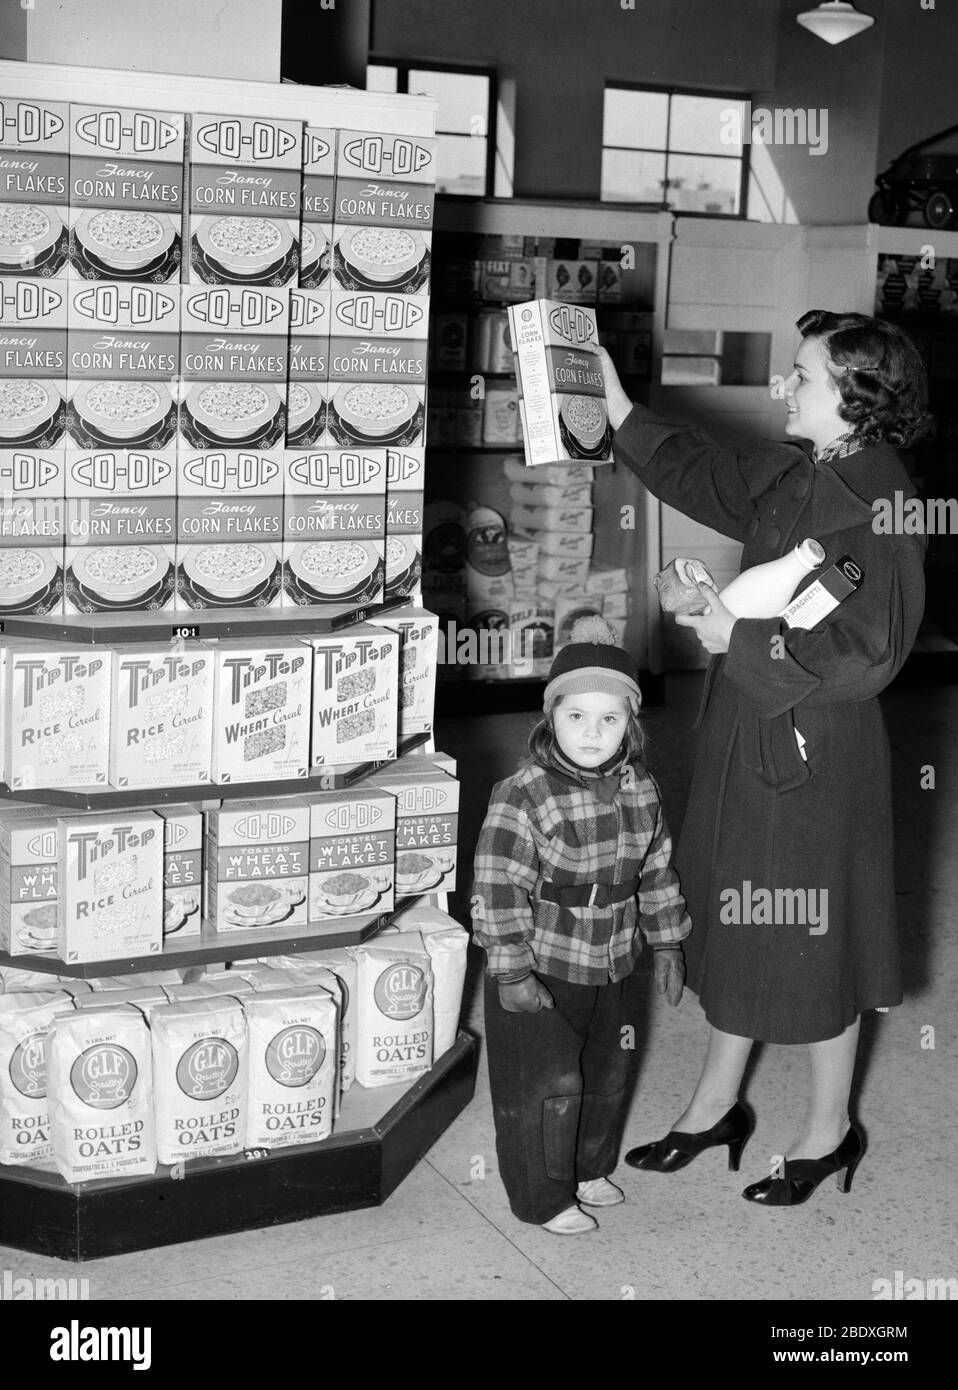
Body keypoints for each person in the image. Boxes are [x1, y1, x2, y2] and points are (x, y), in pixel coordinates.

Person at [597, 309, 931, 1206]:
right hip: (755, 731)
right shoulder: (806, 469)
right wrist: (618, 405)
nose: (784, 385)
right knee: (740, 916)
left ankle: (828, 1131)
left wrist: (726, 632)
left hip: (817, 748)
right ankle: (716, 1106)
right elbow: (707, 472)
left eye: (803, 375)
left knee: (817, 934)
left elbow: (867, 652)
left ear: (857, 401)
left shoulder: (881, 503)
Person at [470, 617, 691, 1234]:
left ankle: (588, 1166)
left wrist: (669, 939)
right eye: (576, 717)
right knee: (547, 1083)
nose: (592, 733)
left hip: (615, 958)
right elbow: (496, 887)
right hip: (542, 964)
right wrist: (510, 970)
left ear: (631, 724)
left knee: (607, 1070)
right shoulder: (523, 794)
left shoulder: (641, 788)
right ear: (550, 718)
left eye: (609, 719)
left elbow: (657, 868)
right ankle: (543, 1196)